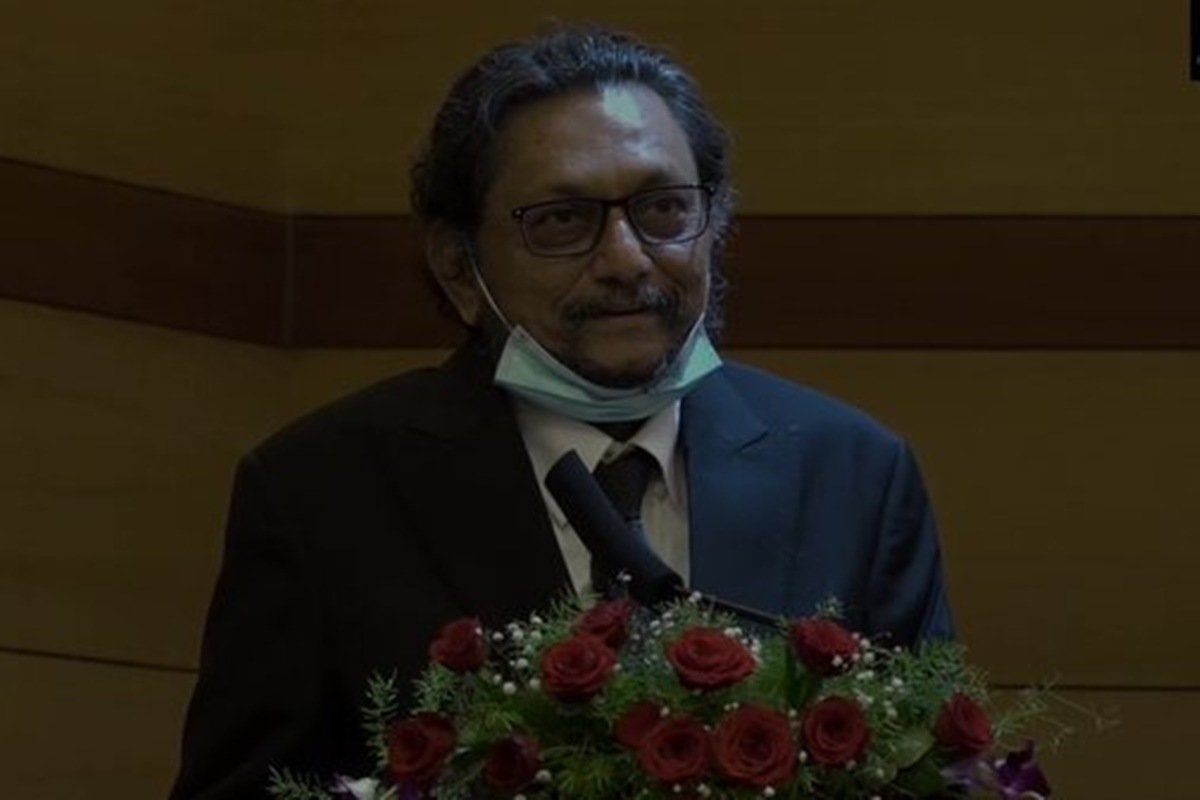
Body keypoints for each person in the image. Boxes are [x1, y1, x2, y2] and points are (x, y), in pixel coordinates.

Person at [170, 26, 953, 799]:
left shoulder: (855, 473)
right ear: (459, 268)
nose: (626, 259)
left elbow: (937, 772)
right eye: (561, 221)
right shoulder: (321, 492)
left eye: (663, 208)